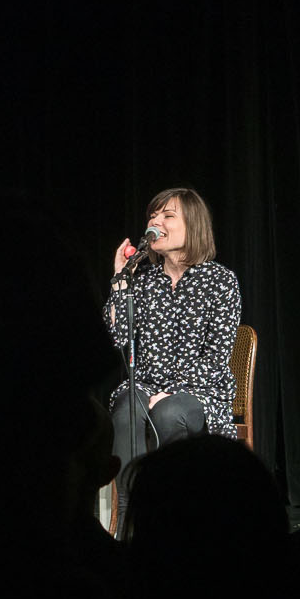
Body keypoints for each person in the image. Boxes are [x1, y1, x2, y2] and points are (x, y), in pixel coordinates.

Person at [103, 187, 241, 471]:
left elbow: (215, 360)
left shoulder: (221, 281)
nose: (156, 222)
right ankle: (131, 508)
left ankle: (172, 504)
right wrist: (120, 280)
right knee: (127, 410)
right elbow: (116, 339)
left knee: (169, 412)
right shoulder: (143, 281)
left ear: (193, 224)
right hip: (145, 385)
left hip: (199, 391)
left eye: (167, 215)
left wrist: (172, 390)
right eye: (153, 216)